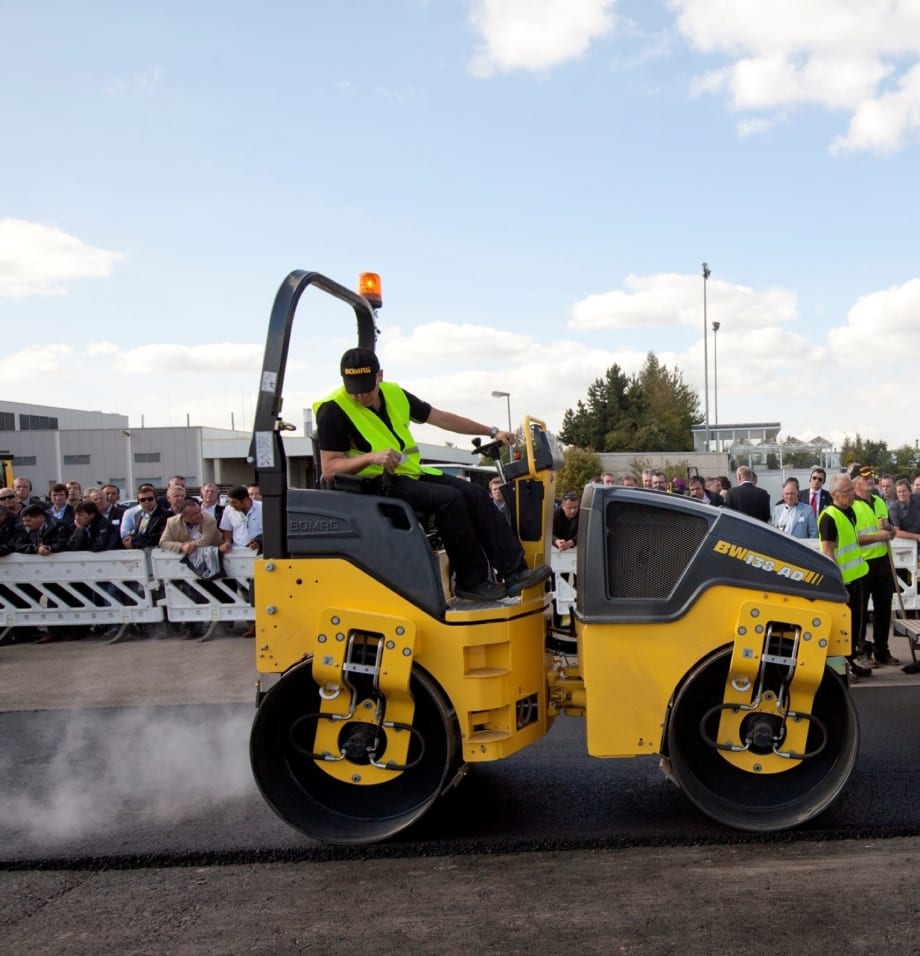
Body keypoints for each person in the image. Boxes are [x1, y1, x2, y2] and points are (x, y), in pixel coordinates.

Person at [314, 348, 551, 602]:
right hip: (373, 484)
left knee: (475, 493)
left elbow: (442, 419)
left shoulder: (394, 393)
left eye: (365, 388)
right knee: (449, 499)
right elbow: (330, 468)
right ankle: (471, 582)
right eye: (354, 389)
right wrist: (370, 457)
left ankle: (514, 572)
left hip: (409, 474)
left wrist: (491, 431)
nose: (360, 395)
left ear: (379, 376)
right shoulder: (333, 410)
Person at [818, 474, 875, 680]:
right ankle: (842, 668)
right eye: (847, 491)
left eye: (852, 489)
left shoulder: (849, 511)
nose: (852, 494)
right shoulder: (828, 517)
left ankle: (850, 661)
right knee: (842, 628)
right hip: (843, 582)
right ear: (834, 495)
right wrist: (839, 585)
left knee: (855, 625)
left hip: (857, 577)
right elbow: (828, 552)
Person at [852, 467, 898, 666]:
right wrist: (879, 536)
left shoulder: (879, 501)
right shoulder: (852, 505)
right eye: (865, 478)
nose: (870, 480)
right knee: (861, 612)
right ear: (855, 483)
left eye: (871, 477)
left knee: (883, 609)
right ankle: (862, 652)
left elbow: (892, 532)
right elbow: (852, 538)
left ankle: (882, 650)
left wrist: (890, 529)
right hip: (863, 564)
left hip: (882, 561)